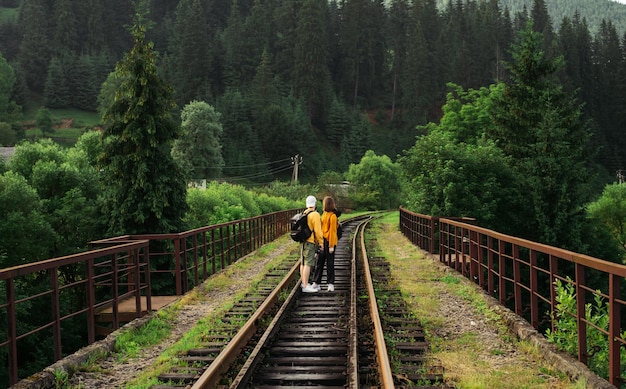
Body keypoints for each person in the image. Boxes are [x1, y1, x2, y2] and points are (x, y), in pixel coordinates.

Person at [312, 196, 340, 292]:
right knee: (320, 261)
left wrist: (331, 246)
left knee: (330, 263)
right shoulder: (324, 214)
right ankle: (316, 282)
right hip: (323, 240)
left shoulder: (332, 216)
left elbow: (332, 232)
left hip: (329, 241)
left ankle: (330, 283)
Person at [300, 195, 324, 293]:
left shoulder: (304, 213)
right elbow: (318, 231)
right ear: (315, 204)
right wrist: (321, 243)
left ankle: (303, 282)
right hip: (310, 241)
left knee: (302, 262)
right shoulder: (315, 214)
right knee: (308, 263)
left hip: (303, 241)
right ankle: (306, 286)